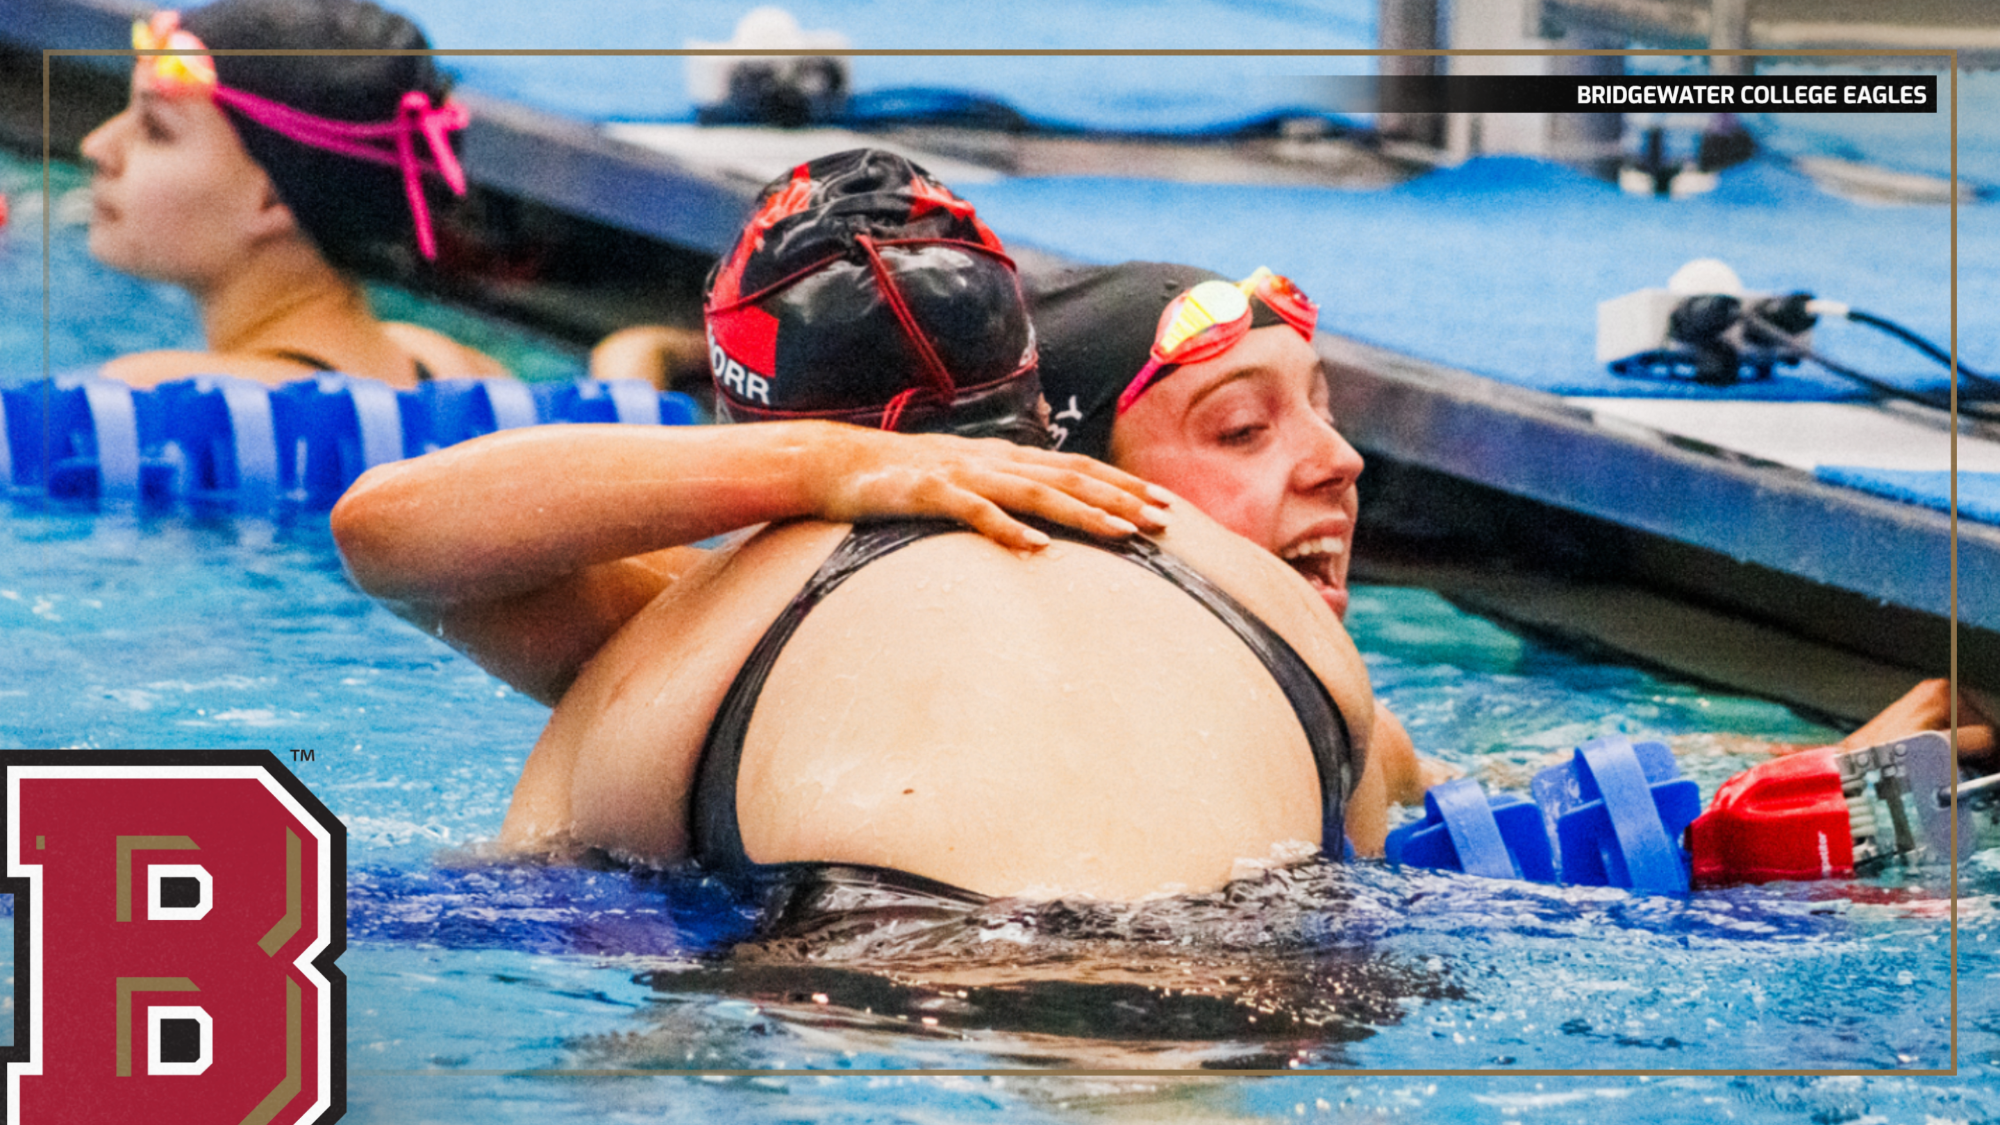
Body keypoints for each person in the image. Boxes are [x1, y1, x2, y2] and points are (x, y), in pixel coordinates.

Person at [332, 150, 1398, 902]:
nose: (1337, 462)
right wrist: (840, 465)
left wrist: (816, 467)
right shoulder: (1278, 619)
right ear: (1037, 403)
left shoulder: (680, 633)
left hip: (886, 959)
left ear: (748, 422)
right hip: (1242, 958)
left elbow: (384, 527)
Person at [1026, 259, 1996, 770]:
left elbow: (1493, 800)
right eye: (1242, 429)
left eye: (1326, 410)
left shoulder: (1337, 725)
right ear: (1069, 493)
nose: (1341, 461)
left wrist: (1815, 773)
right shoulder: (1068, 743)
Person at [80, 0, 506, 389]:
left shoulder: (154, 395)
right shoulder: (469, 376)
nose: (97, 146)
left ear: (272, 199)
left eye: (156, 130)